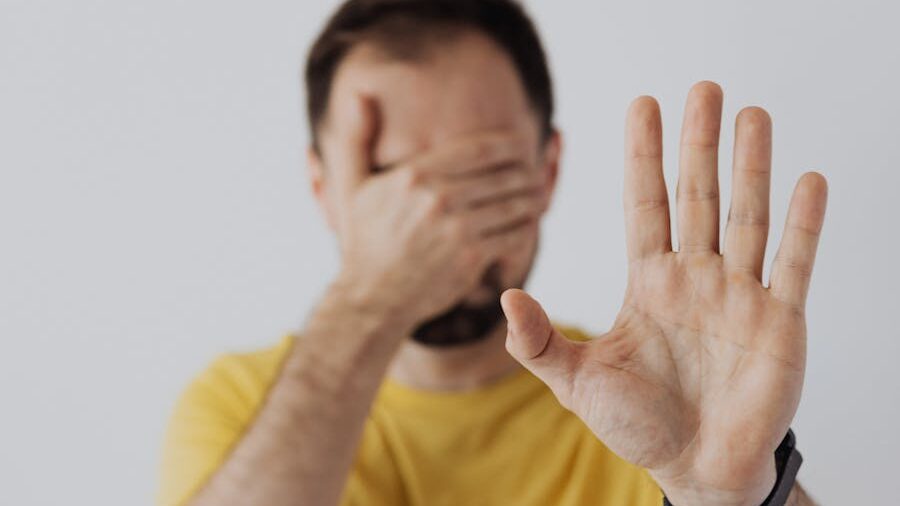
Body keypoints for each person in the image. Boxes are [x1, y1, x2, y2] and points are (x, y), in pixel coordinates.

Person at [159, 1, 827, 505]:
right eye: (392, 183)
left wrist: (728, 491)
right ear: (323, 188)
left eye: (484, 179)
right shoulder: (239, 405)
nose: (438, 222)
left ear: (547, 171)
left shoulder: (649, 400)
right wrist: (369, 299)